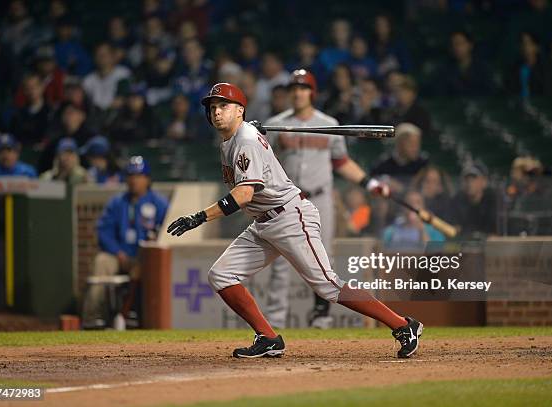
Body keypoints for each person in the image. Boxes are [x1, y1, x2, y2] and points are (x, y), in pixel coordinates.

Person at [166, 82, 423, 359]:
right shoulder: (236, 138)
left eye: (224, 106)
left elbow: (243, 194)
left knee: (328, 286)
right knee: (221, 275)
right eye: (213, 107)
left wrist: (199, 217)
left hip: (290, 217)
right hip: (263, 223)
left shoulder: (246, 141)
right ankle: (268, 337)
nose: (216, 112)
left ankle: (403, 326)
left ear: (240, 110)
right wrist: (247, 128)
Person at [263, 70, 390, 329]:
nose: (298, 92)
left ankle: (321, 317)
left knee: (323, 259)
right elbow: (264, 162)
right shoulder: (275, 124)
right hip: (286, 201)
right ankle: (275, 322)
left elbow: (342, 162)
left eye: (303, 88)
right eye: (294, 88)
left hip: (319, 198)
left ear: (312, 92)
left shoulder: (329, 124)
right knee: (280, 261)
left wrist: (369, 183)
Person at [82, 156, 168, 328]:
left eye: (138, 176)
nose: (134, 180)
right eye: (130, 175)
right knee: (102, 262)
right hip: (119, 255)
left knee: (148, 268)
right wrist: (118, 253)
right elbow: (103, 232)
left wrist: (144, 256)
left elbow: (165, 235)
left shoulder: (159, 204)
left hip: (143, 259)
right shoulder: (117, 202)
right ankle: (94, 317)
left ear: (147, 179)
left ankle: (140, 318)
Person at [449, 162, 497, 238]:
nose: (469, 183)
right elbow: (454, 230)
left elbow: (495, 235)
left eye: (474, 179)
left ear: (484, 182)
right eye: (467, 179)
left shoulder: (493, 201)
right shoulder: (457, 201)